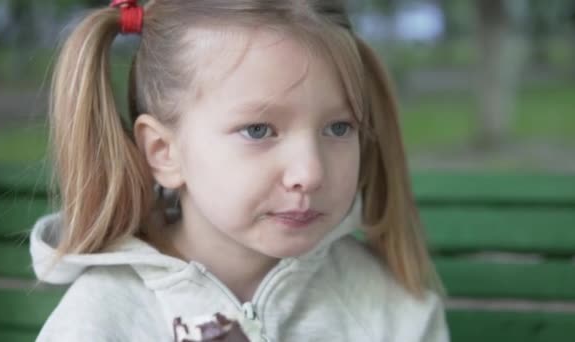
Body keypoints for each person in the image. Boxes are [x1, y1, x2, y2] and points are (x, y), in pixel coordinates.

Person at [30, 0, 450, 341]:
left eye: (338, 127)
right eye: (258, 130)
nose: (310, 172)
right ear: (164, 152)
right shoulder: (101, 321)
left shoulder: (391, 310)